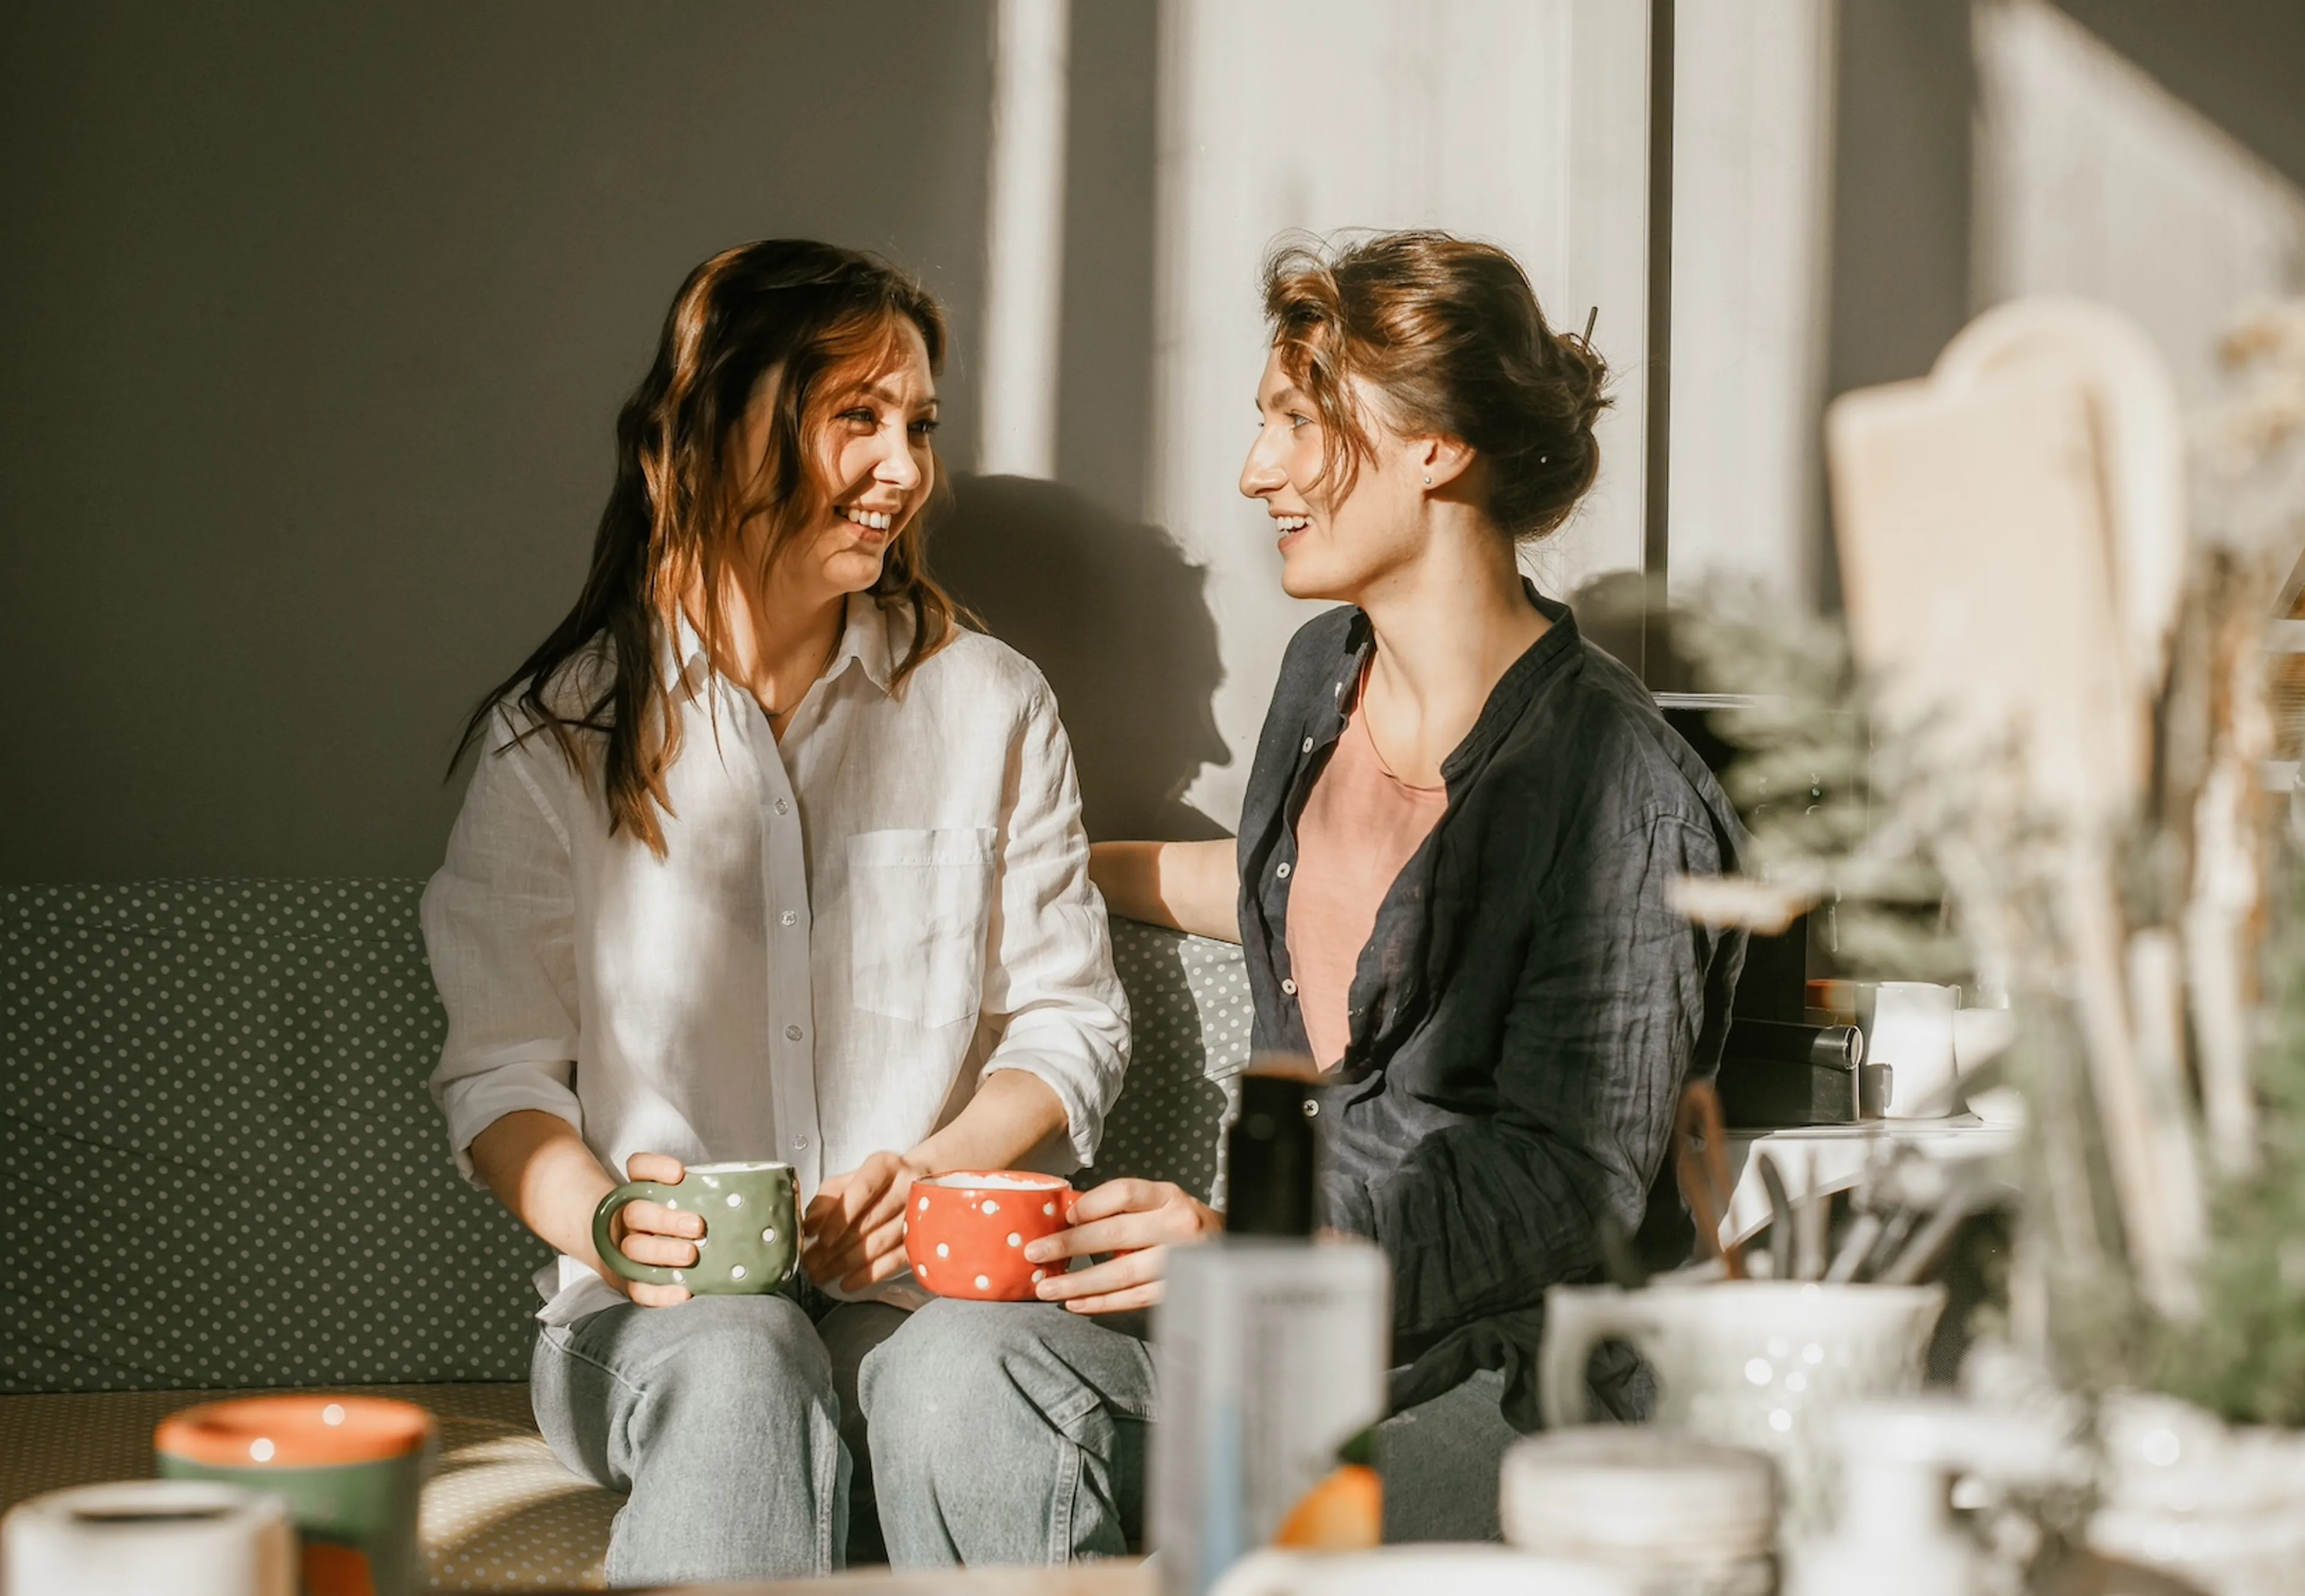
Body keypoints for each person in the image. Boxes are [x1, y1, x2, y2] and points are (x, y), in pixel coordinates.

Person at [420, 239, 1149, 1583]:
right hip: (658, 1322)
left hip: (929, 1297)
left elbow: (1066, 1023)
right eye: (857, 420)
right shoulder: (561, 740)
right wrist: (605, 1224)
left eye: (920, 425)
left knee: (965, 1378)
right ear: (716, 431)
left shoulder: (987, 703)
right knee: (741, 1354)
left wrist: (928, 1171)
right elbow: (500, 1071)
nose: (907, 471)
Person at [1062, 230, 1747, 1540]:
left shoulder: (1624, 791)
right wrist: (1048, 875)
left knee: (1236, 1504)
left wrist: (1251, 1251)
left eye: (1295, 423)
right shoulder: (1325, 672)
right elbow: (1301, 894)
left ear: (1437, 446)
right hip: (1270, 1327)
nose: (1256, 471)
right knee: (965, 1382)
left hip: (1482, 1378)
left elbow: (1565, 1180)